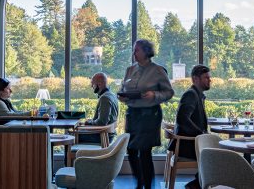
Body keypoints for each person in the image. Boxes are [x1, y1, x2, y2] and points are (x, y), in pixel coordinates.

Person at [119, 39, 174, 189]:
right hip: (133, 114)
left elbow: (169, 92)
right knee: (130, 149)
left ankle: (147, 186)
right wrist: (122, 96)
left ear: (146, 52)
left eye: (136, 50)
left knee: (144, 151)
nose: (134, 53)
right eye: (133, 50)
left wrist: (154, 95)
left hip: (150, 115)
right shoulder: (130, 70)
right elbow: (123, 88)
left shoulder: (158, 70)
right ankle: (140, 180)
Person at [169, 65, 211, 189]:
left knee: (216, 148)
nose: (209, 80)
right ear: (195, 79)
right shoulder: (191, 95)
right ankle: (198, 184)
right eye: (206, 78)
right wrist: (202, 134)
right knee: (217, 151)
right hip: (187, 145)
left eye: (209, 77)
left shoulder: (196, 95)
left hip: (190, 143)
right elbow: (182, 120)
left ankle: (199, 183)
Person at [78, 72, 119, 144]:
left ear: (99, 84)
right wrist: (91, 121)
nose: (91, 86)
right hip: (108, 134)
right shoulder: (112, 95)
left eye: (93, 84)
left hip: (103, 136)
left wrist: (90, 122)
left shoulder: (105, 98)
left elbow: (102, 122)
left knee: (71, 136)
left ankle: (74, 155)